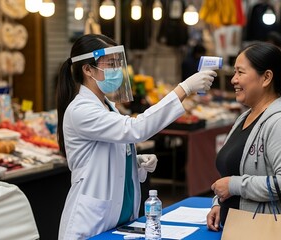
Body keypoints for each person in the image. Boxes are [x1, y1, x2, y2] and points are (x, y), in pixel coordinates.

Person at [56, 34, 216, 239]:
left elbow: (106, 150)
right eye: (110, 64)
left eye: (117, 63)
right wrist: (183, 89)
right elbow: (134, 129)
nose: (116, 70)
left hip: (119, 219)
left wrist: (134, 161)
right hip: (91, 223)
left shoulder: (108, 106)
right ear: (87, 69)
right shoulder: (81, 110)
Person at [206, 41, 281, 231]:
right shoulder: (245, 117)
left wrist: (234, 186)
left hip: (269, 231)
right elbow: (234, 171)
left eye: (240, 72)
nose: (233, 80)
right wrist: (220, 202)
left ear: (266, 77)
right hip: (239, 229)